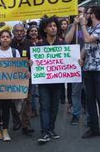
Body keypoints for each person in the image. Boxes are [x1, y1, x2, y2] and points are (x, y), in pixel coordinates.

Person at [80, 6, 100, 138]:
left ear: (93, 15)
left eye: (87, 13)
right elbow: (87, 46)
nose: (85, 15)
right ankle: (94, 128)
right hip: (88, 68)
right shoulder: (90, 29)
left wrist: (82, 25)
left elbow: (87, 39)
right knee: (90, 99)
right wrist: (81, 57)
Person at [35, 16, 64, 145]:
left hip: (57, 82)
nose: (53, 28)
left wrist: (77, 61)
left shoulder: (62, 44)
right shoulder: (39, 44)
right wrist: (32, 63)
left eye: (55, 26)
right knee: (44, 106)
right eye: (50, 26)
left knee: (55, 107)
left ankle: (51, 129)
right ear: (45, 29)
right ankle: (44, 132)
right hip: (43, 83)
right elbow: (34, 61)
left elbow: (68, 60)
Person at [10, 23, 34, 135]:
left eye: (21, 31)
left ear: (24, 32)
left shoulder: (30, 44)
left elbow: (35, 60)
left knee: (27, 102)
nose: (19, 33)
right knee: (13, 102)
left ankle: (26, 124)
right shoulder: (8, 44)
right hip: (11, 79)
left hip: (26, 78)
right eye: (17, 31)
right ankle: (16, 121)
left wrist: (31, 63)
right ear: (13, 32)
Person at [65, 6, 86, 126]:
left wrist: (82, 56)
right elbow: (67, 41)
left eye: (81, 12)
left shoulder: (89, 27)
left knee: (88, 91)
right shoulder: (71, 27)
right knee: (75, 91)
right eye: (77, 12)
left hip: (87, 62)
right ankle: (76, 114)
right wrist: (74, 25)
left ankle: (89, 114)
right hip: (75, 64)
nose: (80, 14)